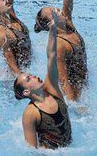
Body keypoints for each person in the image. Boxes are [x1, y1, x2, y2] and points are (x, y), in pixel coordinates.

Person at [34, 0, 87, 101]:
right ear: (51, 24)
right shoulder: (59, 45)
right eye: (54, 12)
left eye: (55, 8)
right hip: (75, 92)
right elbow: (63, 79)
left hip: (84, 85)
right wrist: (75, 105)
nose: (59, 10)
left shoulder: (68, 23)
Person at [14, 10, 72, 149]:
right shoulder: (30, 113)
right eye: (29, 79)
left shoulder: (52, 88)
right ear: (26, 92)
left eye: (31, 75)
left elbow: (51, 56)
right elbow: (32, 149)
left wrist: (52, 29)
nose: (34, 76)